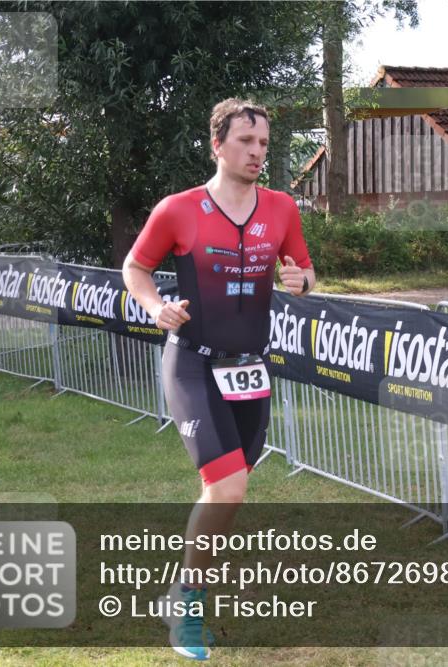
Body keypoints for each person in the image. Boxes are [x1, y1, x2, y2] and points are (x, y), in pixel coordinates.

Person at [122, 98, 315, 660]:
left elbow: (303, 273)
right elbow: (136, 267)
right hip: (192, 362)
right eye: (246, 143)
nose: (257, 152)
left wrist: (300, 280)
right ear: (218, 146)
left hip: (250, 367)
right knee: (227, 485)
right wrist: (155, 306)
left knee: (226, 490)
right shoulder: (179, 210)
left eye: (263, 144)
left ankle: (182, 589)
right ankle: (187, 603)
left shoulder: (282, 208)